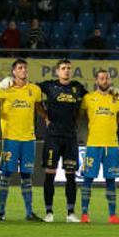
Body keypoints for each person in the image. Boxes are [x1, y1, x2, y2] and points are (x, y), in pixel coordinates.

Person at [0, 59, 44, 221]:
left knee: (26, 175)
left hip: (29, 139)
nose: (24, 70)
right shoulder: (6, 89)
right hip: (10, 139)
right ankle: (1, 212)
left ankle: (29, 212)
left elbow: (39, 107)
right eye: (20, 68)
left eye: (25, 68)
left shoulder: (34, 90)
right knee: (6, 174)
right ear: (13, 71)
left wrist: (47, 118)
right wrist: (0, 86)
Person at [38, 60, 87, 223]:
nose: (66, 71)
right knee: (50, 174)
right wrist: (44, 115)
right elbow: (29, 93)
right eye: (63, 69)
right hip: (53, 136)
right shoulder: (49, 86)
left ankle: (71, 212)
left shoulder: (77, 87)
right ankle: (49, 212)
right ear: (57, 71)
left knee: (71, 176)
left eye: (69, 69)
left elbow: (93, 100)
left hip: (70, 137)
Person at [80, 69, 119, 224]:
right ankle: (84, 214)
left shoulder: (116, 99)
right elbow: (78, 114)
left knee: (111, 180)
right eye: (101, 78)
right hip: (93, 144)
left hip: (111, 145)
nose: (104, 80)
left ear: (110, 81)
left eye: (107, 78)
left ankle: (112, 215)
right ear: (96, 81)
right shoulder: (88, 98)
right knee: (88, 178)